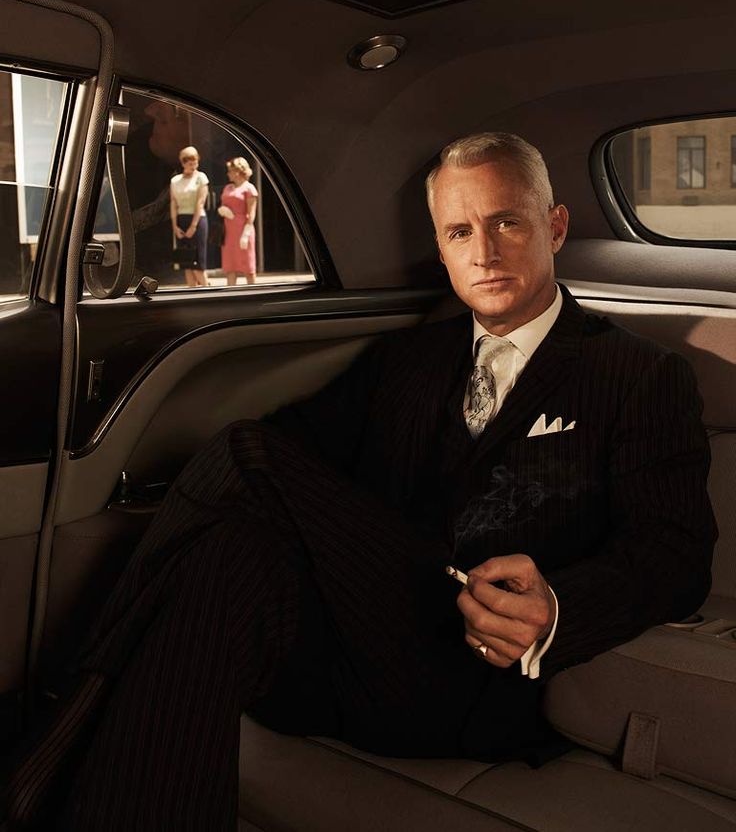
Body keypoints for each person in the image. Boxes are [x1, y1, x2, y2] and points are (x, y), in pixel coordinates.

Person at [4, 133, 716, 831]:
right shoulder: (406, 360)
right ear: (440, 249)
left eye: (507, 222)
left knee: (246, 453)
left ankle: (60, 726)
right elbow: (299, 457)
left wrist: (557, 610)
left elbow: (675, 553)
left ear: (553, 227)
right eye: (460, 231)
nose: (484, 251)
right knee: (226, 556)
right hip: (358, 647)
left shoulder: (640, 375)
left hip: (483, 682)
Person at [170, 145, 209, 287]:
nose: (194, 166)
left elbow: (200, 202)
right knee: (186, 262)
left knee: (198, 263)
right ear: (183, 163)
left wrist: (193, 226)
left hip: (197, 220)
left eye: (196, 162)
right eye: (190, 163)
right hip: (181, 219)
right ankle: (191, 293)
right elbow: (173, 203)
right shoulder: (175, 180)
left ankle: (207, 292)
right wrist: (175, 226)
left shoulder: (201, 177)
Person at [217, 157, 259, 285]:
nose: (228, 173)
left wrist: (245, 234)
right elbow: (223, 205)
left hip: (243, 229)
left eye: (230, 171)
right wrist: (222, 210)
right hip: (229, 231)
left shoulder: (249, 188)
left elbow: (251, 213)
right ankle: (230, 296)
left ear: (238, 171)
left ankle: (254, 295)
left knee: (248, 267)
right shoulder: (228, 188)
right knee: (230, 267)